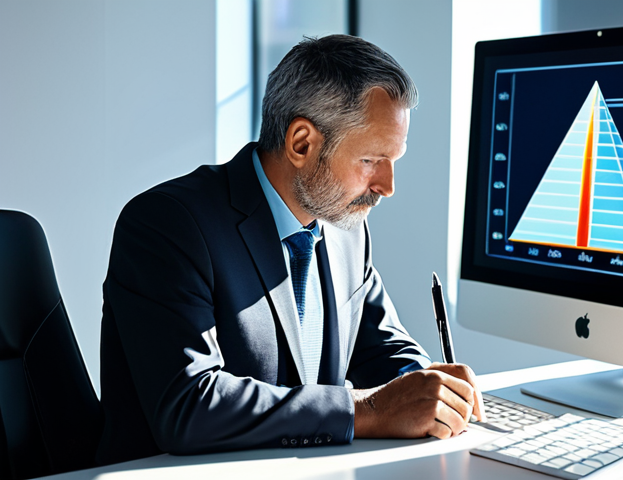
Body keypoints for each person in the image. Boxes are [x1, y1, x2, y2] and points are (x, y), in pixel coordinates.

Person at [96, 34, 484, 466]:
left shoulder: (345, 228)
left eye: (394, 160)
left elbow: (383, 348)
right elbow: (189, 406)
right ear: (302, 143)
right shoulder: (167, 224)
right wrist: (368, 411)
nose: (387, 187)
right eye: (372, 160)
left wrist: (427, 388)